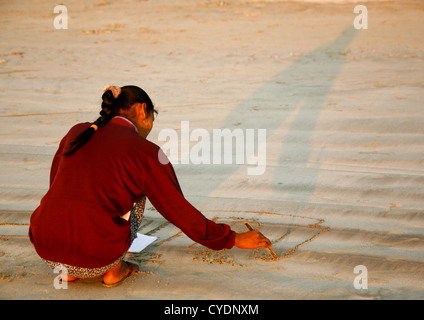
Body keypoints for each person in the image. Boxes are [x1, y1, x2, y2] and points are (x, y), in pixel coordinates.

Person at [29, 85, 272, 287]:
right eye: (152, 118)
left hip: (45, 248)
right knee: (138, 191)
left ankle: (69, 272)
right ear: (142, 110)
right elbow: (177, 210)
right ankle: (114, 268)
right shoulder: (148, 152)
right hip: (97, 255)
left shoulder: (76, 131)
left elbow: (56, 184)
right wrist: (232, 239)